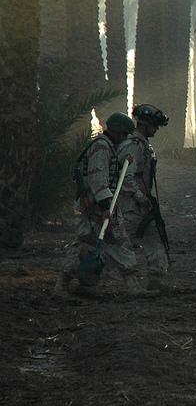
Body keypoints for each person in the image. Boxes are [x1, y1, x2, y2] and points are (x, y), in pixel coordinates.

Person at [54, 112, 139, 295]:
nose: (124, 139)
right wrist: (105, 207)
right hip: (97, 206)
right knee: (104, 242)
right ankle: (62, 285)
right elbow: (98, 179)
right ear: (116, 132)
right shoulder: (101, 147)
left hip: (98, 205)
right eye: (123, 134)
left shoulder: (107, 147)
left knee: (103, 241)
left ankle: (66, 285)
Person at [118, 104, 170, 291]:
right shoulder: (133, 146)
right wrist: (140, 197)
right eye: (154, 126)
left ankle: (156, 277)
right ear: (143, 125)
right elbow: (126, 177)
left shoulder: (142, 145)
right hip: (130, 205)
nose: (156, 130)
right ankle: (87, 276)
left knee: (154, 238)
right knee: (120, 244)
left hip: (141, 204)